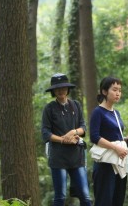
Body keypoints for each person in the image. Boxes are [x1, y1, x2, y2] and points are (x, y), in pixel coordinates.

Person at [41, 73, 91, 206]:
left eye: (63, 87)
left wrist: (73, 132)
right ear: (53, 91)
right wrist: (63, 140)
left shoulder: (75, 105)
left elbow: (83, 127)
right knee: (60, 197)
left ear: (67, 89)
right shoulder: (49, 108)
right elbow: (46, 133)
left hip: (76, 156)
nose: (60, 91)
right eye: (57, 88)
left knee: (85, 196)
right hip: (58, 157)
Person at [89, 76, 128, 206]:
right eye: (114, 90)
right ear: (104, 92)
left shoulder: (116, 113)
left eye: (120, 90)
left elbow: (115, 136)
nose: (118, 93)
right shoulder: (98, 112)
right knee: (104, 201)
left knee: (118, 199)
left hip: (119, 163)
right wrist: (116, 148)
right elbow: (94, 137)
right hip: (105, 164)